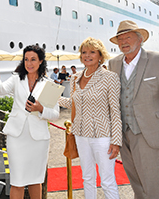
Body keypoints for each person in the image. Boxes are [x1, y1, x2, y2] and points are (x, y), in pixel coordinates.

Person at [108, 20, 159, 198]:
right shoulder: (114, 64)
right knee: (137, 185)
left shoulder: (158, 60)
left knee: (154, 186)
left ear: (140, 39)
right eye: (120, 39)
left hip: (149, 133)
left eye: (128, 37)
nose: (124, 42)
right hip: (123, 135)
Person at [0, 45, 59, 199]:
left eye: (33, 59)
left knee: (36, 180)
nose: (29, 63)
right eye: (26, 59)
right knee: (17, 181)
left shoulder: (49, 85)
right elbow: (2, 90)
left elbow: (55, 114)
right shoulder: (16, 78)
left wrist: (40, 109)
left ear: (40, 61)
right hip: (16, 136)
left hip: (38, 139)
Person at [59, 37, 122, 199]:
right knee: (87, 178)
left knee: (107, 180)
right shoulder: (75, 78)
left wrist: (116, 141)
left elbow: (115, 111)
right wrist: (48, 96)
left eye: (92, 52)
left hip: (103, 136)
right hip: (80, 135)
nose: (87, 55)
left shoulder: (110, 77)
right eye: (84, 52)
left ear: (100, 56)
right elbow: (72, 103)